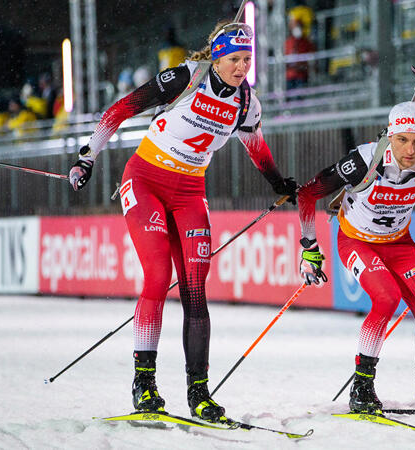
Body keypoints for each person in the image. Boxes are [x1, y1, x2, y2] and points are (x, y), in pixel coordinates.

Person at [68, 21, 297, 423]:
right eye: (234, 59)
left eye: (247, 60)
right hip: (145, 180)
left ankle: (199, 393)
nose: (242, 67)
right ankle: (144, 384)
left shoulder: (247, 102)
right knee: (158, 275)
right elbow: (120, 110)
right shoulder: (185, 78)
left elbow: (256, 148)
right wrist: (87, 157)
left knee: (195, 289)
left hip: (189, 192)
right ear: (216, 58)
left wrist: (279, 183)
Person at [296, 101, 415, 415]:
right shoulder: (364, 161)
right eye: (402, 139)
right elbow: (308, 193)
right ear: (390, 136)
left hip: (399, 244)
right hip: (356, 241)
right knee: (386, 298)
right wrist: (309, 246)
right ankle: (362, 388)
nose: (410, 149)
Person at [284, 6, 316, 90]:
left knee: (300, 93)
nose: (297, 29)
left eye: (299, 26)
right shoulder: (288, 42)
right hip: (290, 76)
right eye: (296, 26)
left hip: (301, 75)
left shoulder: (306, 42)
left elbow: (311, 56)